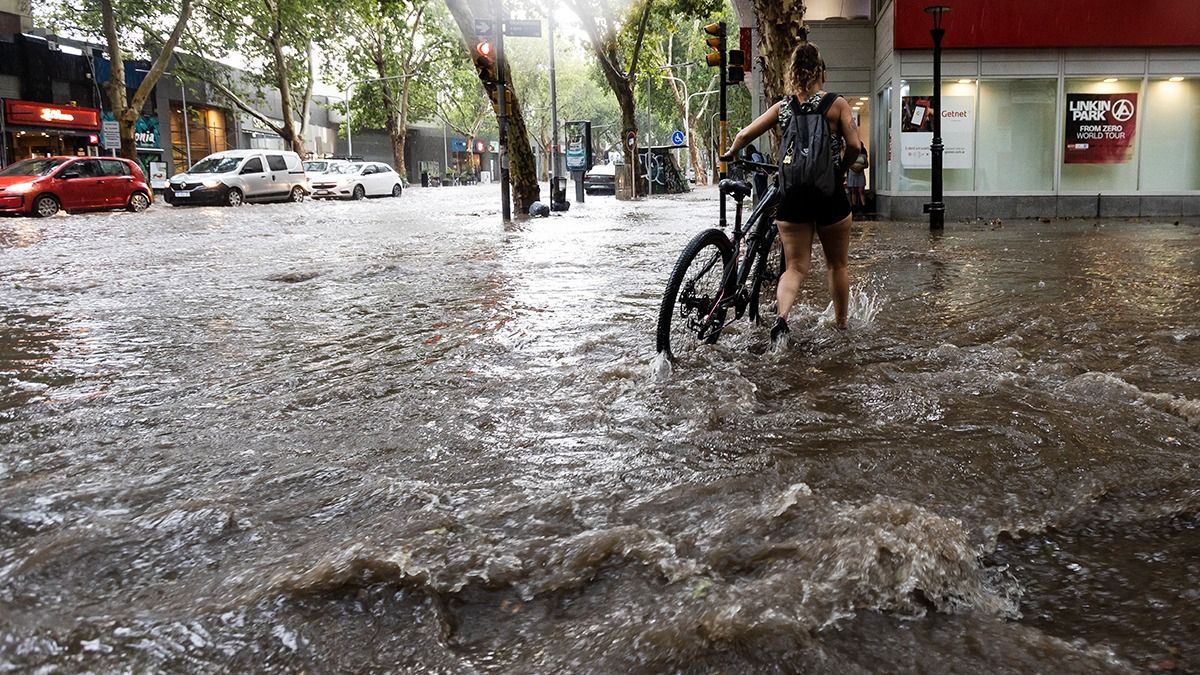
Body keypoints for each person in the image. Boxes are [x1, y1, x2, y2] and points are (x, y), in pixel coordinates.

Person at [722, 40, 865, 340]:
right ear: (820, 72)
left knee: (795, 267)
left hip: (792, 196)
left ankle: (783, 317)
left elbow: (744, 134)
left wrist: (732, 154)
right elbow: (853, 146)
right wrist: (842, 166)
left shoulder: (784, 107)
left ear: (793, 72)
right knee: (837, 265)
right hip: (829, 195)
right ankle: (841, 326)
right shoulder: (837, 105)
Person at [846, 143, 867, 214]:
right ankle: (854, 207)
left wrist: (861, 167)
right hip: (852, 173)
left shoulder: (863, 156)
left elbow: (866, 165)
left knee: (861, 190)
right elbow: (847, 164)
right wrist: (854, 168)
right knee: (854, 190)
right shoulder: (850, 155)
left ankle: (864, 206)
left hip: (860, 174)